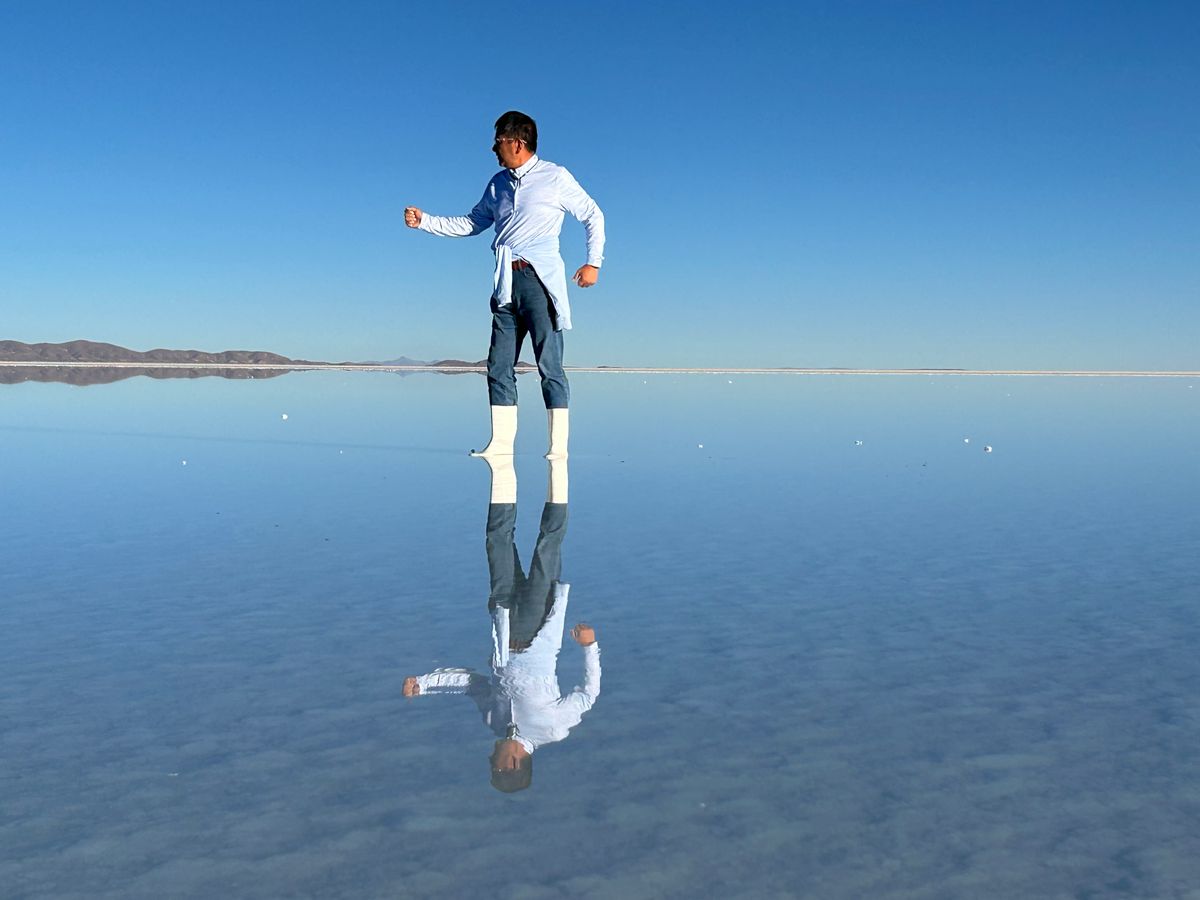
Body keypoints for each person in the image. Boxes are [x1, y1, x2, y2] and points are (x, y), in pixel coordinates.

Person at [404, 110, 605, 460]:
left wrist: (593, 263)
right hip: (505, 282)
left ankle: (558, 448)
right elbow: (472, 223)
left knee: (549, 365)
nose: (493, 148)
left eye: (497, 141)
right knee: (498, 365)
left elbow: (592, 214)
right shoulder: (497, 183)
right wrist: (425, 221)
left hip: (539, 281)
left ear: (517, 142)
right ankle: (499, 445)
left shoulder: (554, 176)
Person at [403, 458, 600, 793]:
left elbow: (470, 684)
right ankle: (558, 465)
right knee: (547, 545)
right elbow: (587, 695)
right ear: (511, 764)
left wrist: (424, 684)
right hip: (538, 625)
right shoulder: (553, 729)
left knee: (497, 540)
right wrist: (589, 646)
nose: (489, 758)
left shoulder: (493, 722)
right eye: (493, 765)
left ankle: (502, 466)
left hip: (504, 622)